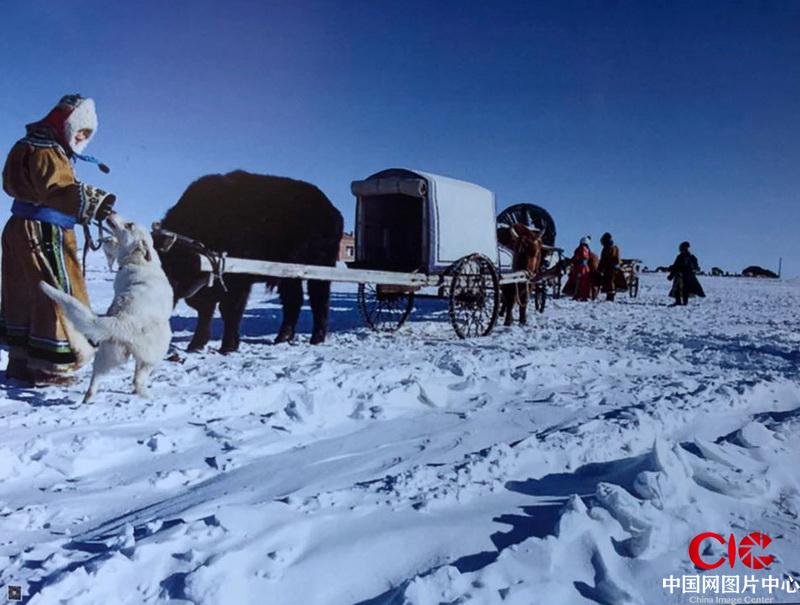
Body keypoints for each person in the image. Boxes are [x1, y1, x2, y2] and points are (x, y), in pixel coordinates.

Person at [1, 94, 116, 385]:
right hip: (45, 231)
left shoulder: (25, 144)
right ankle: (49, 367)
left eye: (87, 134)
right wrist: (94, 201)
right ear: (65, 123)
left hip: (19, 226)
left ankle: (20, 362)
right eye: (80, 129)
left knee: (23, 293)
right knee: (57, 294)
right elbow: (57, 189)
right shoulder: (47, 150)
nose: (82, 137)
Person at [668, 241, 705, 306]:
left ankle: (681, 302)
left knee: (682, 289)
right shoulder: (689, 257)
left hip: (683, 276)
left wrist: (671, 274)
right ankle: (680, 302)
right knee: (682, 289)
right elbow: (676, 266)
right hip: (686, 276)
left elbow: (676, 266)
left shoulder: (686, 257)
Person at [598, 232, 627, 302]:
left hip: (609, 268)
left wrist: (600, 269)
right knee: (611, 281)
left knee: (609, 281)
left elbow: (603, 259)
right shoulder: (615, 247)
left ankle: (610, 296)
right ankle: (611, 295)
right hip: (616, 267)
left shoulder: (607, 248)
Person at [563, 236, 593, 301]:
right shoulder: (587, 249)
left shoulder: (581, 248)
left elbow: (577, 257)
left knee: (579, 282)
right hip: (585, 268)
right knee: (584, 283)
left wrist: (571, 261)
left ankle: (577, 295)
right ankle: (583, 296)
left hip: (580, 268)